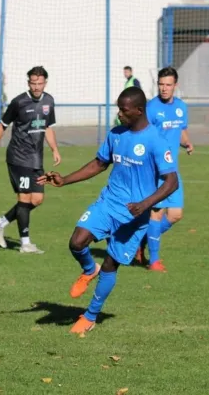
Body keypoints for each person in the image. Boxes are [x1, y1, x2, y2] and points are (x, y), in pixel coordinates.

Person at [37, 87, 178, 334]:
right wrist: (65, 180)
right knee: (76, 242)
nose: (119, 114)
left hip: (134, 215)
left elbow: (171, 181)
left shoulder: (156, 140)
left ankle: (90, 316)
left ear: (139, 110)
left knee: (112, 263)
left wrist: (145, 205)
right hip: (108, 203)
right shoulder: (116, 134)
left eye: (123, 110)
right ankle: (90, 269)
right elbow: (100, 163)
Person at [0, 66, 61, 253]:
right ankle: (25, 243)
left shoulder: (49, 101)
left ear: (45, 83)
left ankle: (0, 223)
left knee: (37, 199)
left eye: (40, 83)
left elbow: (47, 127)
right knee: (25, 198)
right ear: (28, 83)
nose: (36, 87)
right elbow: (2, 126)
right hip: (18, 157)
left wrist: (54, 149)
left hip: (36, 159)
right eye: (33, 83)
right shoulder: (18, 102)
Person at [135, 67, 193, 271]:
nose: (164, 88)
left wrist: (187, 143)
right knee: (156, 214)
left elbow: (181, 131)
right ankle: (155, 261)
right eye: (161, 84)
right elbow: (142, 134)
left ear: (175, 85)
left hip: (173, 171)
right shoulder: (151, 108)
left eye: (168, 85)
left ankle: (141, 238)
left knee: (176, 214)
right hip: (155, 171)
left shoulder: (181, 107)